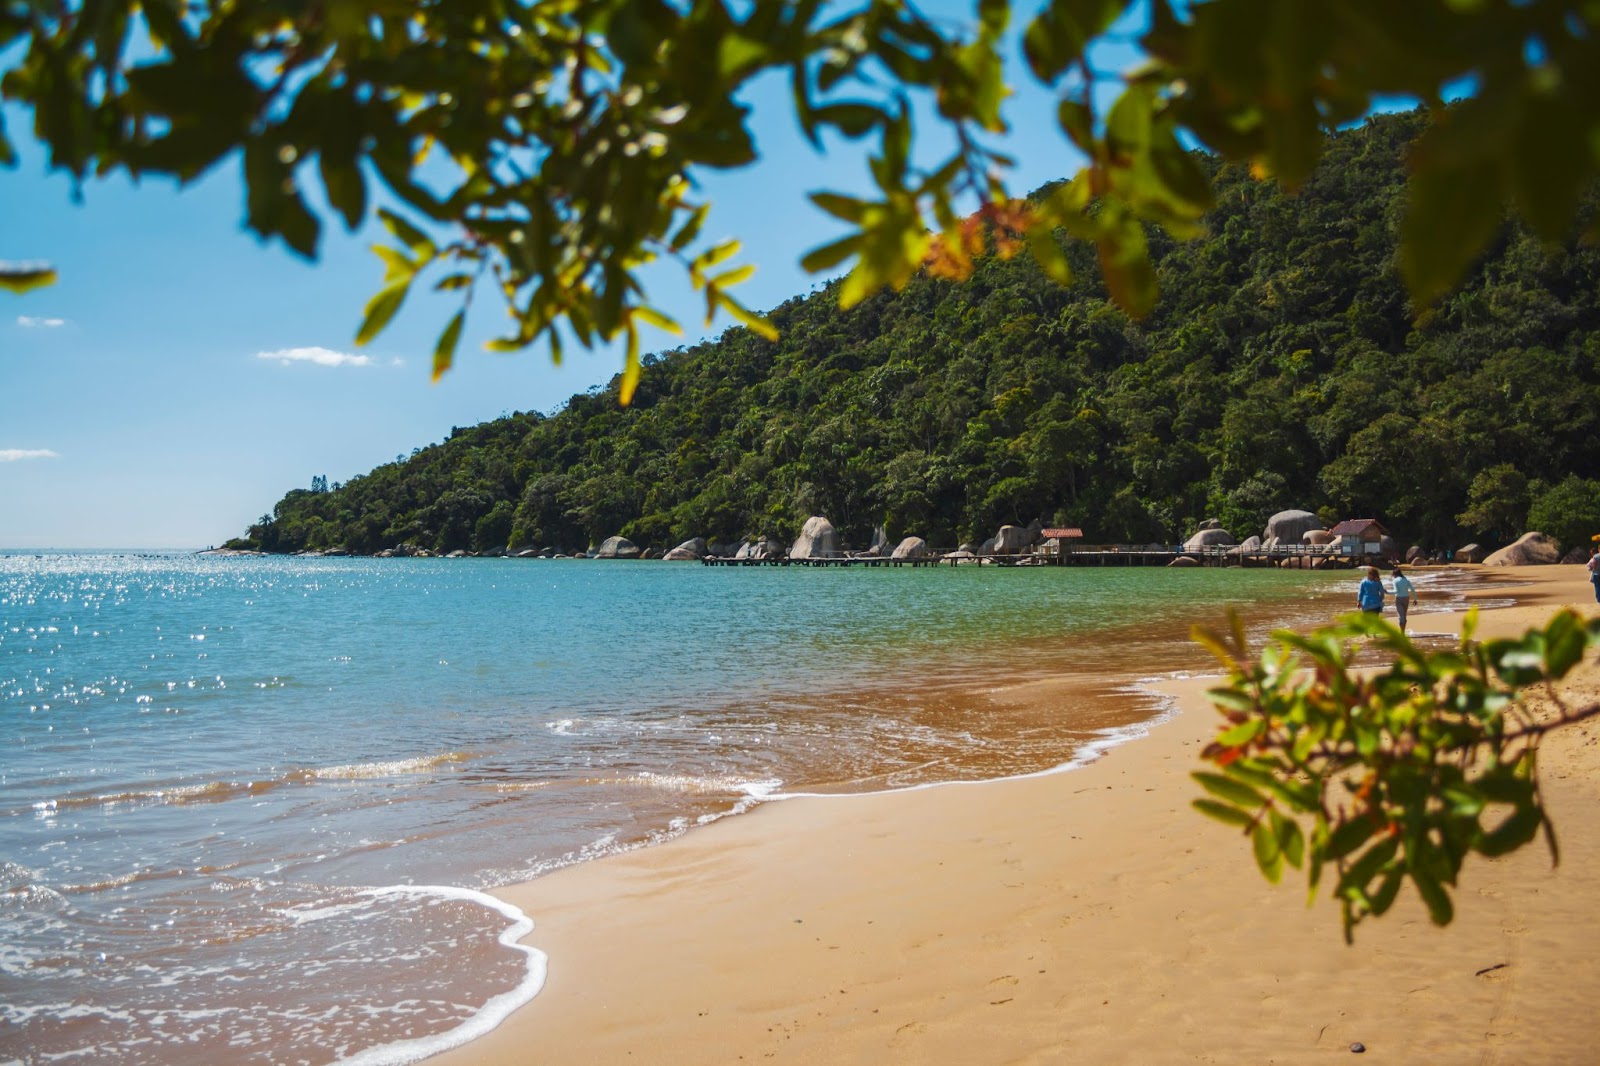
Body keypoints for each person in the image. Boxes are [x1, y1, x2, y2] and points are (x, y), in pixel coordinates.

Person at [1390, 565, 1416, 631]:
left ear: (1394, 574)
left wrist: (1387, 592)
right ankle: (1403, 631)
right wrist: (1415, 599)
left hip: (1399, 599)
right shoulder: (1406, 580)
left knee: (1401, 616)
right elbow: (1412, 589)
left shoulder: (1395, 581)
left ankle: (1402, 633)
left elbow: (1396, 591)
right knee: (1404, 615)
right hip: (1406, 598)